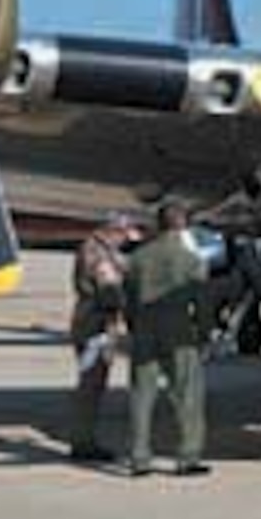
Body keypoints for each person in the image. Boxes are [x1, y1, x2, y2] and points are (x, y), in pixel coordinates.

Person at [123, 202, 213, 478]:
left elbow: (128, 298)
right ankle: (187, 456)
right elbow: (202, 301)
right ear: (183, 225)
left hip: (145, 328)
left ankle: (139, 458)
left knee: (141, 394)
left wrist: (134, 326)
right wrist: (204, 332)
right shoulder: (191, 260)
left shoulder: (137, 258)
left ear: (159, 224)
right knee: (187, 393)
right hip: (178, 329)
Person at [67, 213, 138, 464]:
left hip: (91, 323)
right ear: (114, 230)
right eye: (123, 235)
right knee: (91, 386)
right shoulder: (98, 254)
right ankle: (83, 442)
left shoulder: (98, 249)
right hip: (95, 326)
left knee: (92, 384)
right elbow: (109, 292)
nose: (124, 241)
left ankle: (83, 439)